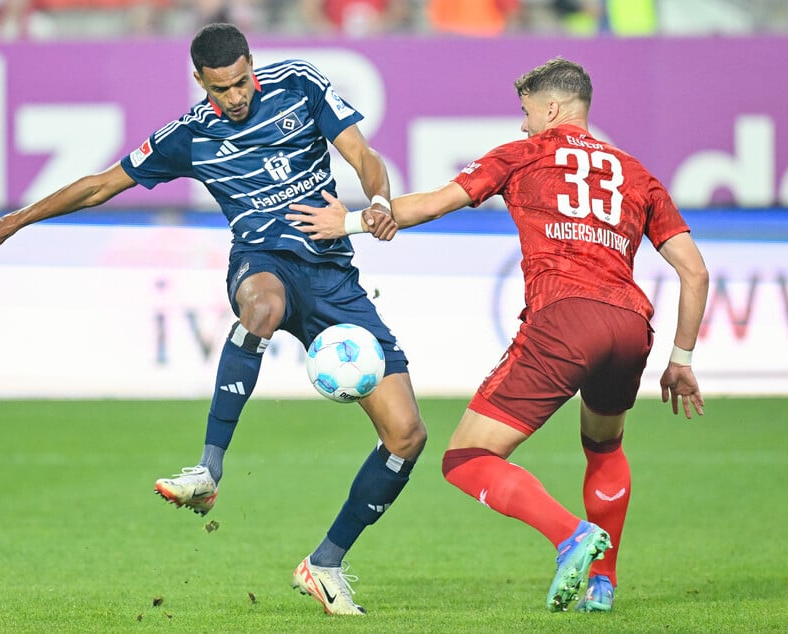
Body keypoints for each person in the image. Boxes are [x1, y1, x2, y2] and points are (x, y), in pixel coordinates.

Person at [0, 22, 426, 617]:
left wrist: (379, 203)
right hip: (263, 262)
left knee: (406, 436)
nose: (234, 97)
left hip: (334, 279)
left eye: (240, 83)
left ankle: (325, 564)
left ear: (251, 66)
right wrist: (12, 222)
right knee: (260, 307)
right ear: (199, 82)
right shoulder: (190, 135)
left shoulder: (301, 86)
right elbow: (100, 184)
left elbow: (362, 154)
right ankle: (209, 467)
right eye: (220, 89)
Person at [287, 57, 709, 613]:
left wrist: (348, 222)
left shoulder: (524, 155)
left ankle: (570, 535)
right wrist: (680, 359)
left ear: (553, 109)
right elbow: (695, 271)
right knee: (605, 446)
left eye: (528, 112)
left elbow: (435, 204)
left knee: (466, 458)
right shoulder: (636, 173)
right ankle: (602, 586)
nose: (523, 125)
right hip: (631, 324)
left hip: (565, 318)